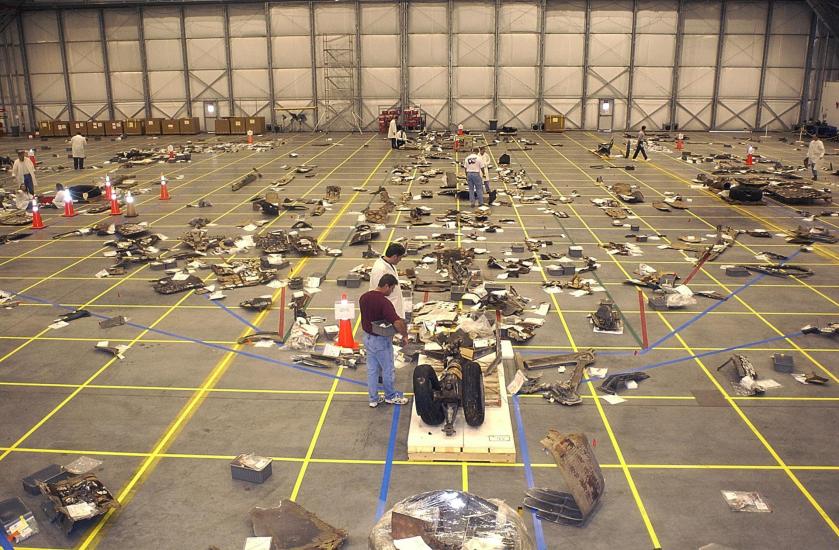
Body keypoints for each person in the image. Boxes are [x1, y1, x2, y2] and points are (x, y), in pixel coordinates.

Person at [359, 274, 410, 408]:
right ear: (386, 286)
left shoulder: (364, 297)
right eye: (392, 288)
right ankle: (390, 396)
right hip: (380, 341)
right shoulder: (384, 302)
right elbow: (397, 322)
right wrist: (404, 335)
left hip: (367, 338)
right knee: (388, 369)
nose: (391, 291)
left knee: (372, 370)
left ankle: (373, 399)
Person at [370, 243, 405, 316]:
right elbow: (378, 293)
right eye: (400, 257)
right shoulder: (380, 270)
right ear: (395, 256)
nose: (400, 260)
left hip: (394, 305)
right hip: (388, 310)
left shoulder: (389, 263)